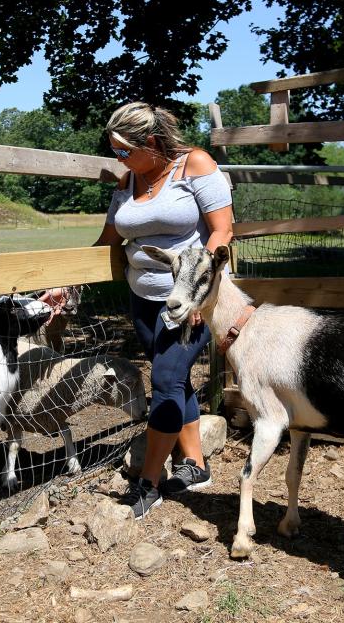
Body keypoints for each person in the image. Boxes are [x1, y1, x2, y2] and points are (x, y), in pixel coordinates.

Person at [94, 102, 234, 519]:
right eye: (114, 151)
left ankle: (148, 483)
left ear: (151, 142)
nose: (118, 159)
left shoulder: (195, 164)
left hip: (190, 296)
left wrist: (193, 294)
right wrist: (64, 284)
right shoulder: (129, 178)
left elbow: (223, 229)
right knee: (176, 379)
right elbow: (107, 238)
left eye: (124, 150)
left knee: (167, 378)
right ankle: (195, 464)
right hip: (143, 297)